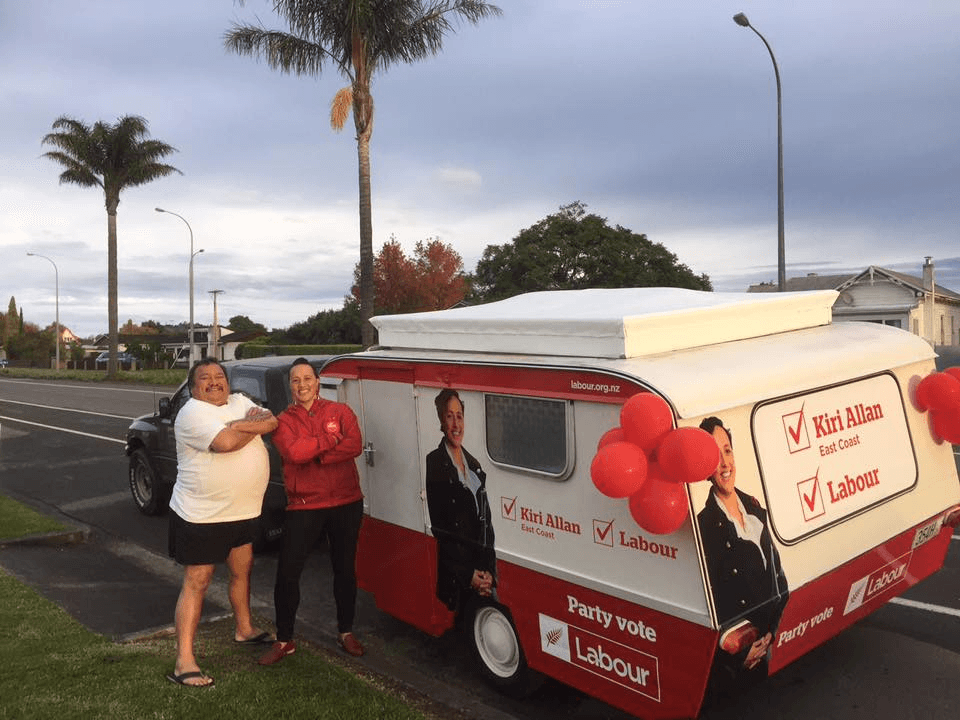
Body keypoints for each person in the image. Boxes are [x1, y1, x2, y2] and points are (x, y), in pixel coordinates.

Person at [167, 358, 278, 688]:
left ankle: (244, 629)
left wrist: (237, 425)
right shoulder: (192, 413)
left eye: (219, 376)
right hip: (203, 516)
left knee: (242, 570)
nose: (214, 381)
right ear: (193, 388)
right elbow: (224, 444)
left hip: (243, 511)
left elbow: (272, 421)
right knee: (198, 581)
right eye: (205, 378)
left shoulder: (238, 401)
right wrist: (248, 427)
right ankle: (184, 662)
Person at [259, 358, 365, 665]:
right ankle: (284, 640)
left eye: (307, 378)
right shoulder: (283, 421)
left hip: (346, 501)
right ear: (290, 386)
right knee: (288, 573)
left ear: (317, 382)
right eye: (296, 380)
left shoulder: (340, 411)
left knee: (344, 570)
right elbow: (294, 452)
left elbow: (355, 445)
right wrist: (330, 439)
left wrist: (318, 455)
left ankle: (345, 631)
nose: (302, 384)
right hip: (305, 505)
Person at [697, 416, 789, 695]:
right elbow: (710, 603)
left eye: (727, 451)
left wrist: (772, 631)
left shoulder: (754, 508)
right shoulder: (704, 527)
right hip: (735, 664)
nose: (725, 463)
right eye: (714, 456)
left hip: (767, 650)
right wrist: (738, 656)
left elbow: (778, 577)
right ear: (704, 467)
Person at [425, 388, 496, 618]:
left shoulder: (474, 465)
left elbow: (487, 525)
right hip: (457, 575)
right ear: (441, 421)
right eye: (449, 416)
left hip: (481, 570)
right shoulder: (435, 462)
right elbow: (440, 529)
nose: (456, 424)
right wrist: (468, 575)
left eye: (459, 416)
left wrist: (489, 572)